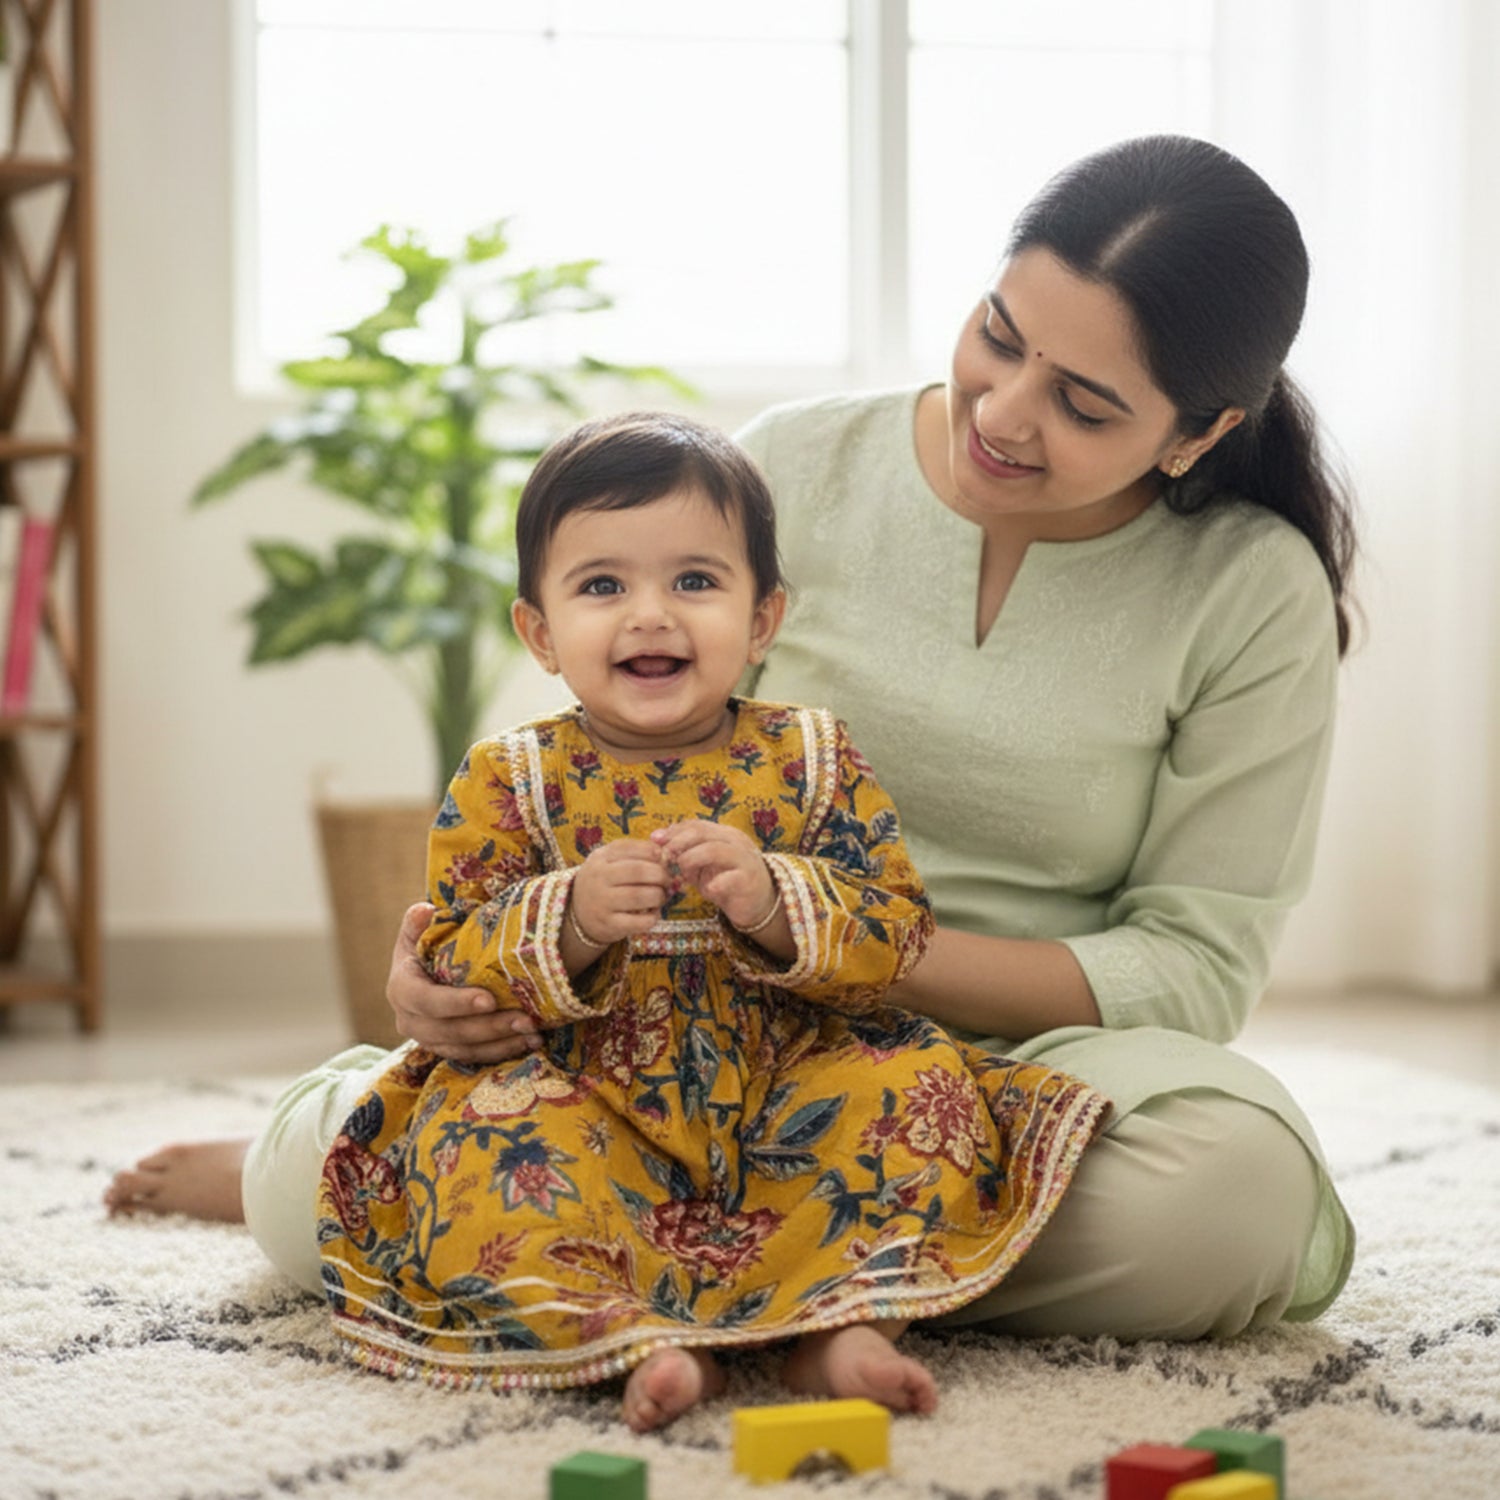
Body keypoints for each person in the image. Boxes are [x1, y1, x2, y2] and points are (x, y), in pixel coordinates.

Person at [108, 133, 1357, 1380]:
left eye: (1085, 404)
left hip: (1015, 1066)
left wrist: (853, 954)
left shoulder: (1251, 593)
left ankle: (590, 1259)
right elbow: (591, 759)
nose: (1003, 412)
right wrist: (462, 974)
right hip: (671, 1028)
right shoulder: (796, 465)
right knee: (323, 1171)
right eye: (998, 333)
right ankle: (822, 1267)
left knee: (1226, 1208)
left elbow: (1191, 967)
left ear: (1200, 432)